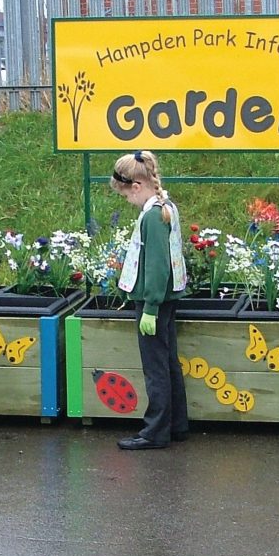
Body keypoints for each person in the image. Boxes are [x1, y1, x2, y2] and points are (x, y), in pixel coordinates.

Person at [110, 150, 189, 450]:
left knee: (155, 367)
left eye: (125, 194)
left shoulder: (154, 217)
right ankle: (176, 424)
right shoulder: (163, 207)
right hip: (166, 298)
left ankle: (155, 431)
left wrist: (150, 308)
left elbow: (157, 265)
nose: (126, 201)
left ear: (137, 186)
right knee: (168, 363)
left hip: (153, 302)